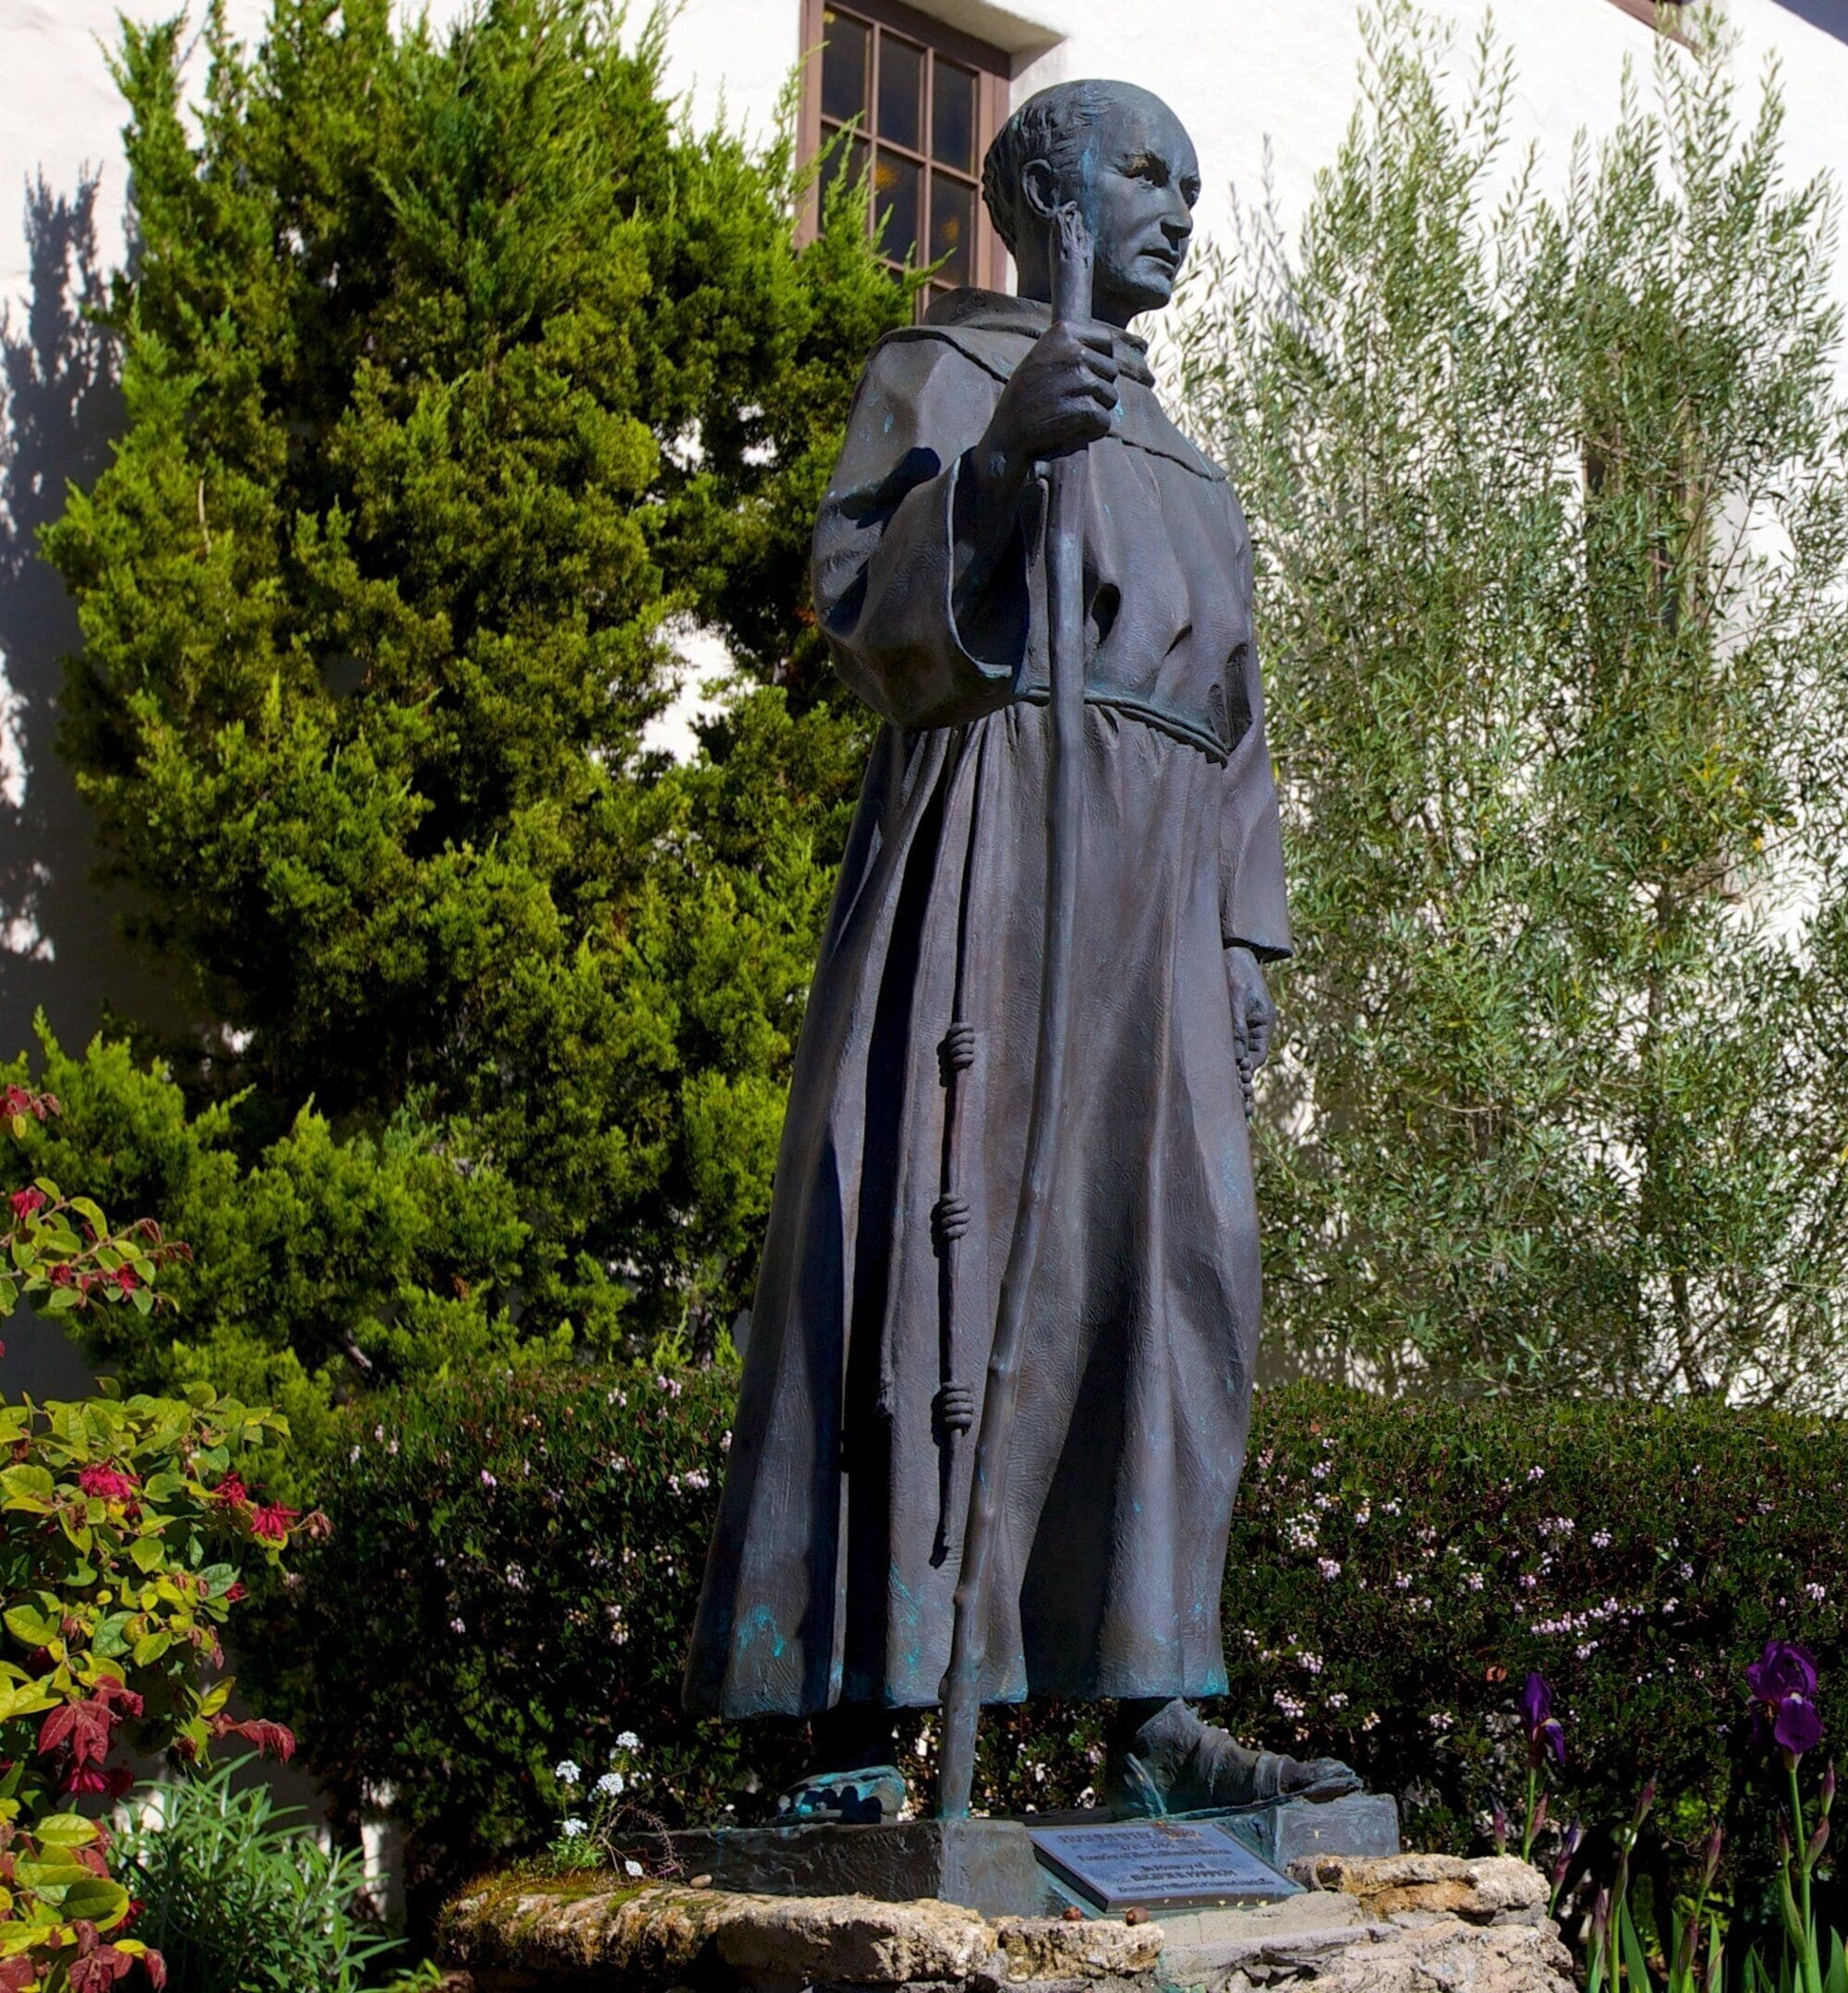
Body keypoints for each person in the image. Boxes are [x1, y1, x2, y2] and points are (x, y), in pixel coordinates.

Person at [686, 78, 1351, 1821]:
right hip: (995, 865)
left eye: (1194, 186)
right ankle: (860, 1714)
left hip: (1160, 920)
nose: (1181, 209)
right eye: (1148, 174)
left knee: (1175, 1272)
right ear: (1047, 193)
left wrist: (1243, 948)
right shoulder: (945, 375)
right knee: (935, 1254)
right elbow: (865, 618)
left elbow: (1239, 739)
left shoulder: (1199, 478)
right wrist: (990, 476)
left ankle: (1153, 1707)